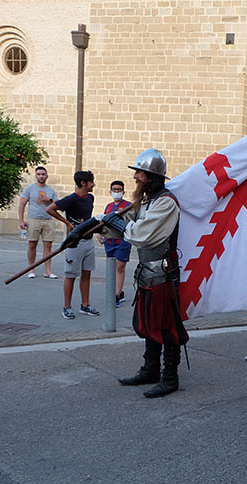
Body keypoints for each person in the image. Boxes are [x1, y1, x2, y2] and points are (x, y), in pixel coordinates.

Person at [100, 149, 189, 398]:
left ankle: (170, 377)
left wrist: (114, 222)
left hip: (163, 273)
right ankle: (150, 370)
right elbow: (123, 223)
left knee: (167, 327)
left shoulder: (165, 203)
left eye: (139, 172)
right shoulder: (146, 201)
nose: (136, 177)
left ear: (151, 176)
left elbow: (140, 233)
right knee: (149, 324)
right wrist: (92, 227)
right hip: (147, 273)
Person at [47, 171, 100, 319]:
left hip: (88, 241)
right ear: (83, 183)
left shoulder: (90, 198)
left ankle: (85, 305)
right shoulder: (71, 199)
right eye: (91, 181)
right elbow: (50, 209)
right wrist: (67, 223)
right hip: (74, 243)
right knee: (70, 275)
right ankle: (67, 307)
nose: (93, 184)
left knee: (87, 273)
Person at [18, 165, 58, 279]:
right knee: (32, 244)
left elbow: (56, 205)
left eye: (43, 174)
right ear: (35, 176)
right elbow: (22, 204)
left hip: (48, 220)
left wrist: (48, 200)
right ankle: (31, 269)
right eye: (39, 174)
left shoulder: (50, 190)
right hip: (33, 219)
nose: (41, 176)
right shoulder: (30, 189)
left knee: (48, 245)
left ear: (47, 176)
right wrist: (21, 220)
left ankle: (48, 271)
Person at [99, 180, 132, 307]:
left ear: (123, 191)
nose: (116, 192)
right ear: (110, 191)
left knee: (120, 266)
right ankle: (117, 291)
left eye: (119, 190)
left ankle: (117, 295)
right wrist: (100, 234)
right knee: (111, 267)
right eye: (114, 189)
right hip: (109, 241)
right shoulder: (108, 207)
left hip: (122, 241)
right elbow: (104, 222)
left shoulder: (129, 205)